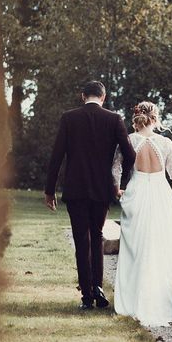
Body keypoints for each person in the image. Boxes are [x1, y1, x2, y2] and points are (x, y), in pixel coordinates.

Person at [45, 81, 136, 310]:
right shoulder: (114, 119)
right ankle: (99, 288)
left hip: (75, 189)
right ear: (103, 97)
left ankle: (87, 296)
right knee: (97, 237)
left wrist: (49, 190)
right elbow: (130, 154)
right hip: (102, 189)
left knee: (81, 240)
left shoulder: (69, 118)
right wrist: (121, 182)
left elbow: (57, 156)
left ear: (82, 95)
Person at [112, 101, 172, 326]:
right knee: (160, 247)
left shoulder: (129, 140)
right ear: (155, 118)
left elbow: (116, 168)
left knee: (136, 248)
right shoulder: (165, 143)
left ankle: (132, 301)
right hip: (161, 196)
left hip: (137, 193)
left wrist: (116, 188)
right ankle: (158, 300)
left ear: (137, 117)